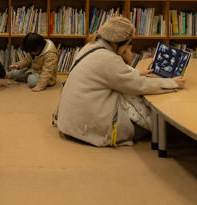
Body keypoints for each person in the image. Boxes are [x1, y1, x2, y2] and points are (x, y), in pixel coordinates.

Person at [53, 15, 185, 147]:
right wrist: (172, 83)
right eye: (128, 44)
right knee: (154, 124)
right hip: (86, 126)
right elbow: (138, 85)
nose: (128, 48)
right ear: (116, 43)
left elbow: (110, 74)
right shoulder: (108, 59)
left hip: (71, 120)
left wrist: (136, 72)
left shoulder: (90, 47)